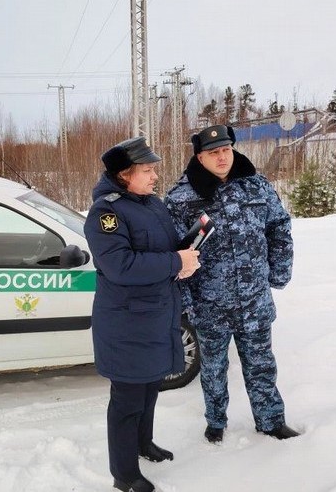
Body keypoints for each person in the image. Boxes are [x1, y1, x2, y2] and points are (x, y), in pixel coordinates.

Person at [165, 125, 300, 443]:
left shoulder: (256, 185)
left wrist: (279, 271)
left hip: (254, 299)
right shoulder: (180, 197)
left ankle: (271, 421)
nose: (222, 157)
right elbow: (174, 254)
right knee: (213, 367)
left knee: (261, 363)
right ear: (200, 157)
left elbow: (279, 226)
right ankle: (215, 422)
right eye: (213, 152)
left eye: (226, 150)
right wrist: (186, 301)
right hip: (210, 303)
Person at [84, 136, 200, 492]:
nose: (154, 176)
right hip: (127, 323)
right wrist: (175, 262)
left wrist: (187, 252)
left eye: (153, 170)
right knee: (128, 400)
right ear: (124, 175)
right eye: (147, 170)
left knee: (150, 388)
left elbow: (161, 249)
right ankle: (124, 474)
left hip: (155, 315)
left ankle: (143, 444)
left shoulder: (151, 204)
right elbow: (120, 266)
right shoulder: (106, 213)